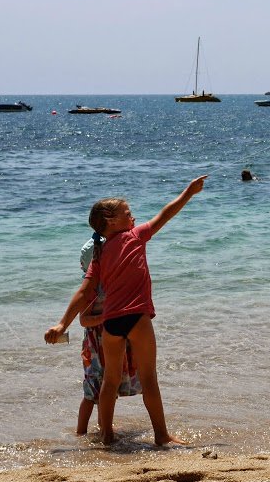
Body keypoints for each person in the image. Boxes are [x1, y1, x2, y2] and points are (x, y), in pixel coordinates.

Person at [45, 175, 208, 446]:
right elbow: (165, 215)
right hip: (136, 318)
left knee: (109, 382)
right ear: (111, 221)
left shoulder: (99, 256)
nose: (133, 217)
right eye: (128, 213)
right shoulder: (135, 236)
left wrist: (63, 323)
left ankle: (107, 436)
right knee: (149, 380)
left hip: (110, 324)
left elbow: (84, 292)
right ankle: (161, 435)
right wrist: (188, 193)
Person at [76, 238, 142, 436]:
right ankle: (81, 432)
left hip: (114, 337)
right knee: (91, 392)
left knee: (109, 387)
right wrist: (105, 317)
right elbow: (84, 320)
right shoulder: (91, 289)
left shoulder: (113, 283)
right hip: (97, 344)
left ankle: (104, 426)